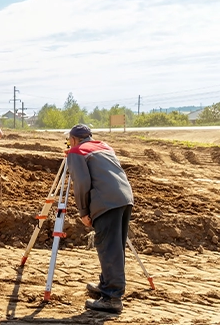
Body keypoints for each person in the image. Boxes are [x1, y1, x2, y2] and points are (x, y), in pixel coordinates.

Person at [65, 124, 134, 314]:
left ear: (72, 139)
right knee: (115, 246)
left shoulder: (77, 151)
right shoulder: (104, 146)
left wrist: (83, 212)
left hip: (106, 202)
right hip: (124, 198)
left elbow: (81, 184)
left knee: (108, 247)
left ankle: (112, 297)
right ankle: (106, 285)